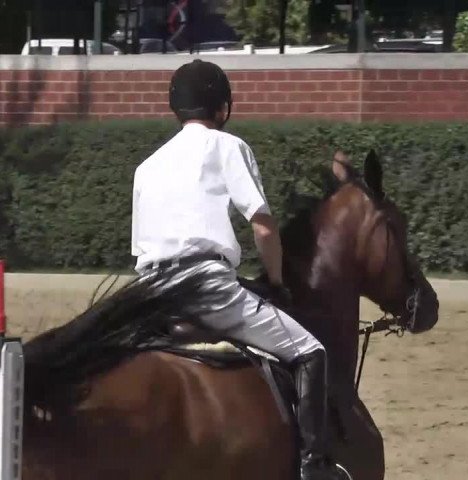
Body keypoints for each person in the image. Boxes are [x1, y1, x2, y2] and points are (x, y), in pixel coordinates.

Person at [130, 59, 343, 480]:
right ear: (222, 109)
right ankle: (314, 467)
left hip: (149, 292)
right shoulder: (227, 147)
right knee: (310, 352)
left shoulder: (146, 166)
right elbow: (262, 226)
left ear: (176, 109)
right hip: (204, 287)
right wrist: (278, 282)